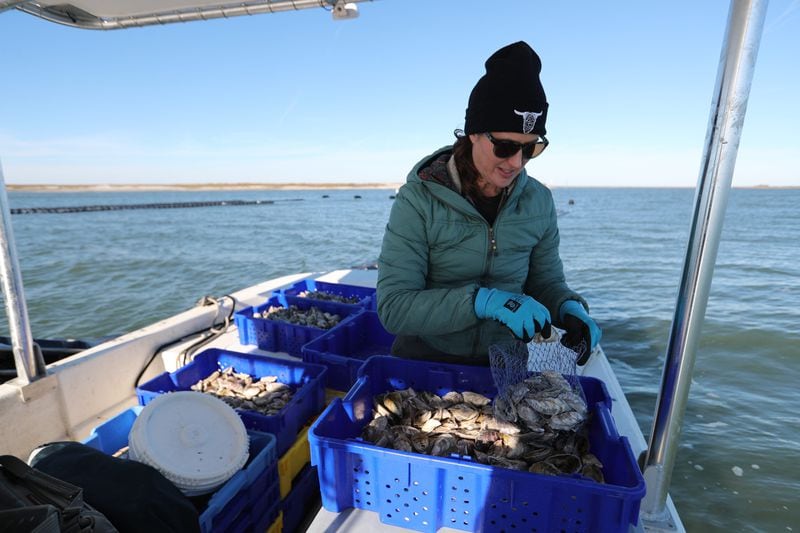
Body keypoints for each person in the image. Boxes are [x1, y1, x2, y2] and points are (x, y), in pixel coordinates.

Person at [376, 41, 601, 366]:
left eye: (531, 149)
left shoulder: (539, 201)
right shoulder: (419, 199)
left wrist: (568, 307)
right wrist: (483, 301)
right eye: (505, 146)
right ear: (473, 134)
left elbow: (545, 283)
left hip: (504, 361)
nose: (517, 162)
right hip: (426, 358)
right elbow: (395, 308)